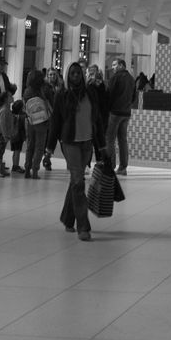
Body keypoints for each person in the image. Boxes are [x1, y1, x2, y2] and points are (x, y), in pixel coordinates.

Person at [48, 62, 107, 241]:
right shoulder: (62, 95)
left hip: (87, 142)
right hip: (70, 143)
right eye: (72, 73)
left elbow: (97, 120)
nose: (75, 76)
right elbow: (55, 121)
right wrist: (49, 148)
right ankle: (83, 226)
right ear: (67, 75)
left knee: (76, 180)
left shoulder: (90, 93)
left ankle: (67, 218)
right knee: (79, 182)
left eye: (78, 73)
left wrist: (102, 146)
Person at [104, 56, 135, 175]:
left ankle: (110, 166)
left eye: (114, 65)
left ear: (121, 65)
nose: (112, 68)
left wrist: (108, 109)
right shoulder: (132, 79)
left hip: (115, 112)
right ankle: (123, 167)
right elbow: (134, 97)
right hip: (126, 113)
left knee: (110, 139)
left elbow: (110, 95)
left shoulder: (115, 78)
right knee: (123, 140)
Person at [22, 71, 51, 179]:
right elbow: (48, 103)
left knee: (30, 145)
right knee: (39, 147)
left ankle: (27, 169)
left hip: (30, 121)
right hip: (42, 122)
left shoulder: (27, 91)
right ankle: (35, 170)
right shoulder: (43, 91)